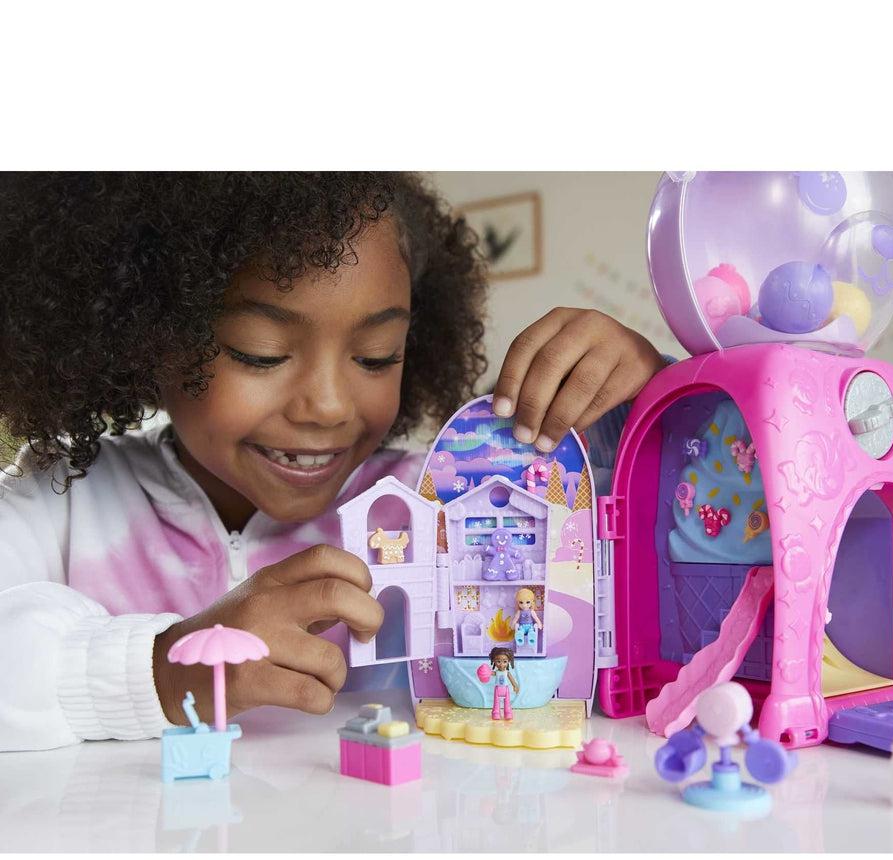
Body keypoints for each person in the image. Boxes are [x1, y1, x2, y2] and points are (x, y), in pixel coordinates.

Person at [0, 172, 665, 751]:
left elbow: (643, 558)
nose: (326, 405)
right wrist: (164, 671)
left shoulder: (435, 500)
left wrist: (655, 398)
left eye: (377, 356)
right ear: (146, 335)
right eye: (260, 353)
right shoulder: (59, 501)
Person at [487, 647, 519, 722]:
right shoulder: (496, 672)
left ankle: (507, 712)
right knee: (496, 702)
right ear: (494, 661)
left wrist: (515, 685)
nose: (501, 664)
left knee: (507, 702)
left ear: (508, 662)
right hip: (497, 689)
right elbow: (490, 673)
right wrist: (486, 672)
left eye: (505, 661)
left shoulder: (507, 672)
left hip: (506, 689)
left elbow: (512, 680)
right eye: (498, 661)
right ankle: (496, 713)